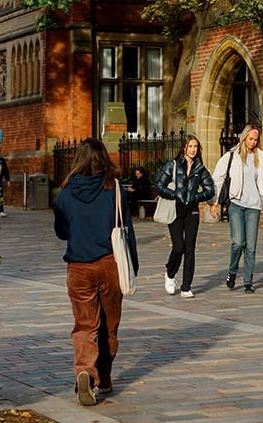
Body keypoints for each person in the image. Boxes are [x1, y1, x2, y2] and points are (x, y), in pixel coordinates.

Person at [53, 138, 138, 406]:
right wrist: (133, 265)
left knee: (84, 325)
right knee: (109, 327)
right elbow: (127, 230)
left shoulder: (65, 193)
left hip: (78, 266)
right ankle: (105, 374)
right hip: (110, 263)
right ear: (103, 158)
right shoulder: (114, 189)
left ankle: (85, 373)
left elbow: (61, 231)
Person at [209, 123, 263, 294]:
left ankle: (248, 281)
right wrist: (215, 202)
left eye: (256, 140)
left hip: (254, 207)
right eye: (250, 139)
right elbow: (218, 179)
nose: (253, 142)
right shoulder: (231, 156)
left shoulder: (261, 158)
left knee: (250, 246)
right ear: (244, 138)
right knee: (238, 242)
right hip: (235, 204)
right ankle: (232, 272)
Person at [155, 135, 215, 299]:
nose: (193, 150)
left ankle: (186, 286)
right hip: (175, 210)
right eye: (190, 146)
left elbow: (210, 190)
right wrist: (174, 194)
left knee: (190, 249)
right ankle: (170, 272)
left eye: (195, 146)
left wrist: (196, 197)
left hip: (192, 212)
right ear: (184, 148)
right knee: (178, 247)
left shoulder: (200, 169)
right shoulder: (173, 165)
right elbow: (159, 185)